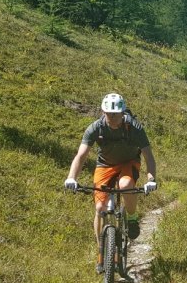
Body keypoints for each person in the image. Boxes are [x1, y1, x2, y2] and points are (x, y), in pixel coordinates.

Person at [64, 92, 157, 273]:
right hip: (105, 165)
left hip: (129, 162)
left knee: (125, 186)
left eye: (117, 114)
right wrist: (71, 177)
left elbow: (149, 157)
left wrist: (151, 179)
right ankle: (102, 253)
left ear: (123, 113)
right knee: (100, 209)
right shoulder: (95, 128)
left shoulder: (134, 128)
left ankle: (131, 219)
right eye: (109, 113)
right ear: (103, 112)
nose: (113, 117)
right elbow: (81, 155)